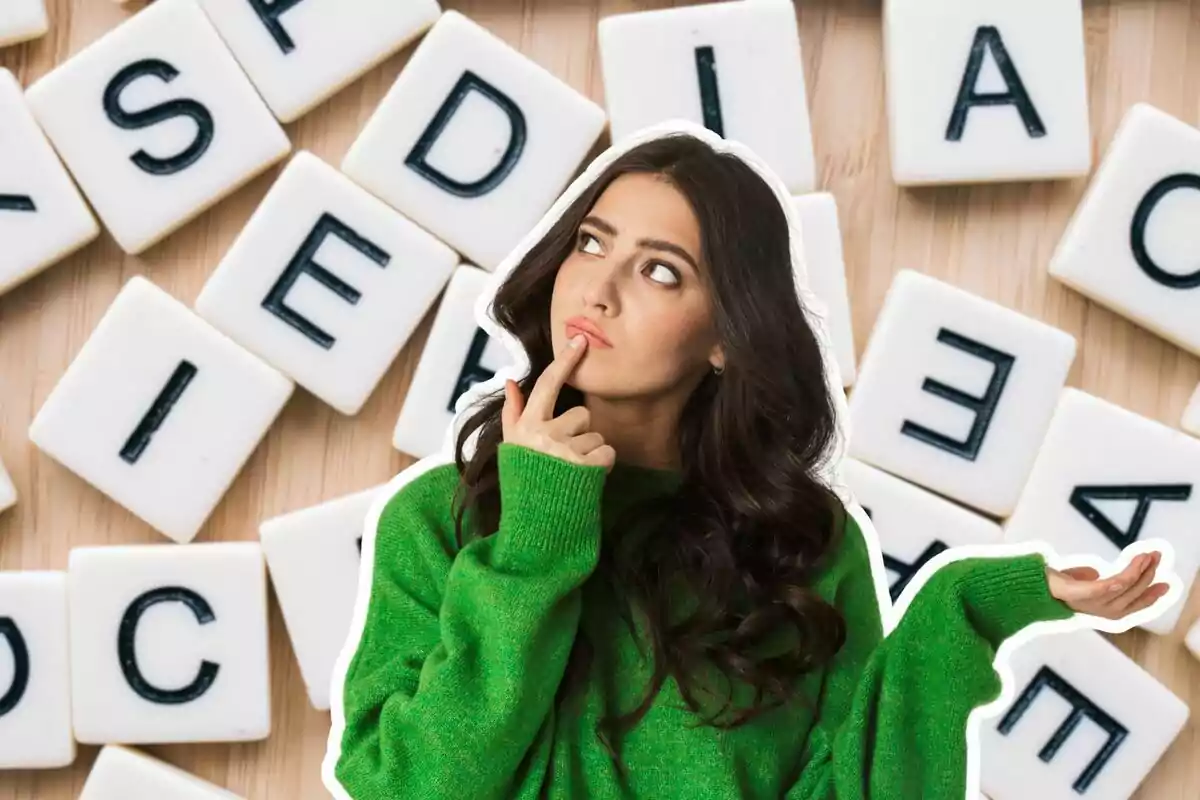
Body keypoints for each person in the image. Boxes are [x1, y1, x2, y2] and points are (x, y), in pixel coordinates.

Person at [325, 125, 1172, 800]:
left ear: (728, 336)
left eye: (660, 271)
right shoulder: (443, 518)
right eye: (591, 243)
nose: (599, 289)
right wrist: (537, 537)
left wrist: (963, 608)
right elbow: (409, 785)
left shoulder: (799, 544)